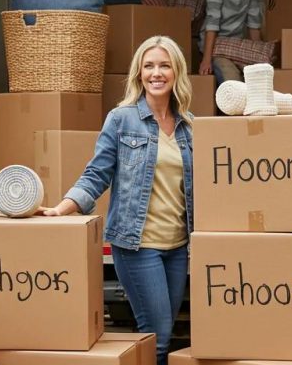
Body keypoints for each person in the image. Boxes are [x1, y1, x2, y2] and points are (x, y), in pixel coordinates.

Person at [45, 36, 194, 365]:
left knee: (162, 333)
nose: (157, 73)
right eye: (149, 66)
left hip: (177, 247)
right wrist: (61, 208)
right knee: (156, 335)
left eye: (164, 65)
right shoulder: (121, 119)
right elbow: (96, 174)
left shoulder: (189, 126)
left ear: (176, 72)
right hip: (137, 245)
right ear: (139, 73)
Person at [198, 0, 262, 84]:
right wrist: (206, 60)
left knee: (259, 76)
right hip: (215, 46)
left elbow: (254, 24)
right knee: (232, 80)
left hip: (236, 45)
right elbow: (212, 24)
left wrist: (257, 56)